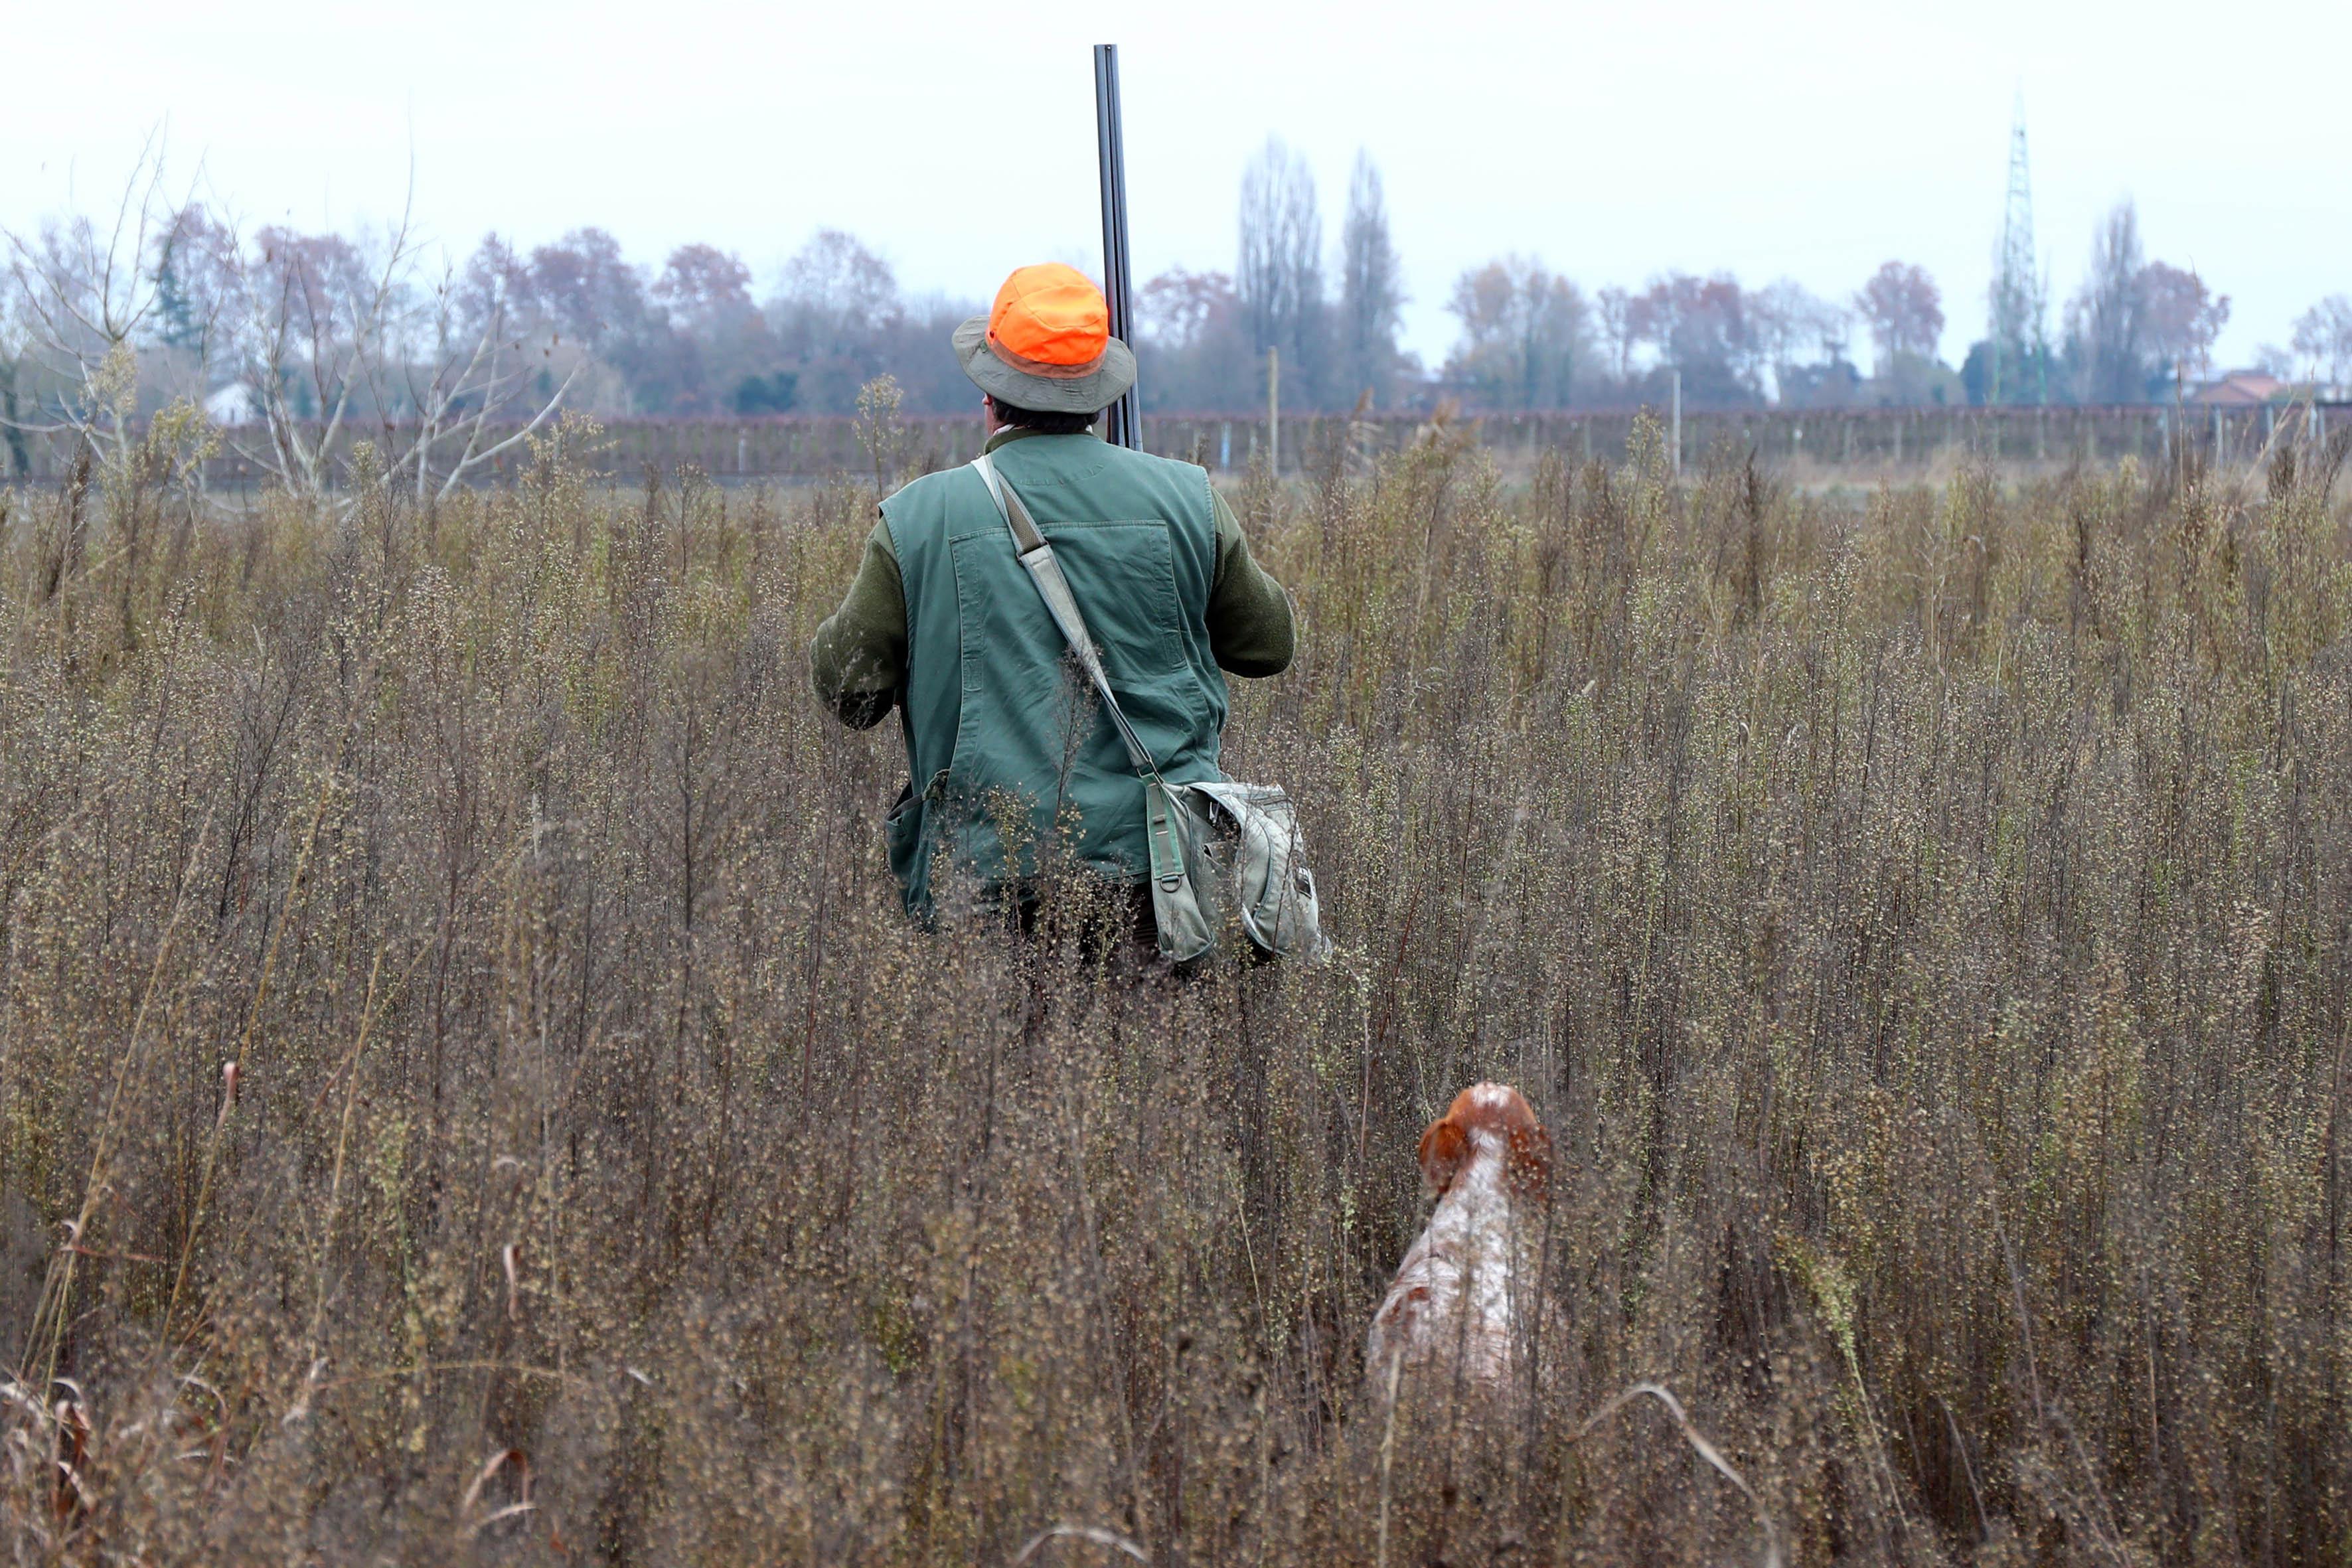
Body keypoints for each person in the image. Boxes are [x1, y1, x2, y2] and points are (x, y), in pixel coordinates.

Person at [811, 263, 1294, 937]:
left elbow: (847, 690)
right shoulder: (1188, 496)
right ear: (1100, 395)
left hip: (984, 876)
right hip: (1161, 877)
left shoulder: (918, 518)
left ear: (988, 393)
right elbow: (1269, 644)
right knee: (1155, 1043)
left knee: (998, 1046)